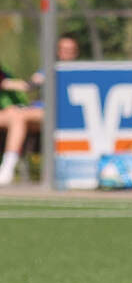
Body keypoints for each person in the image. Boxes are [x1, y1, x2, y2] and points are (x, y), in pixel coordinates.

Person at [0, 34, 80, 185]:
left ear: (76, 52)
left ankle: (7, 167)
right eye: (63, 49)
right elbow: (31, 84)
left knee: (18, 117)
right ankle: (7, 167)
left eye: (70, 50)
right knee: (14, 115)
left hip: (57, 113)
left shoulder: (81, 72)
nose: (66, 53)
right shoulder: (49, 69)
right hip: (38, 110)